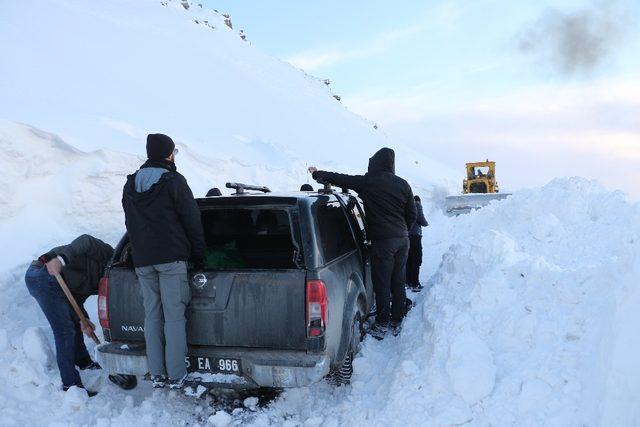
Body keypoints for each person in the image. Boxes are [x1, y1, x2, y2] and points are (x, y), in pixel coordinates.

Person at [122, 133, 205, 389]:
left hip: (143, 261)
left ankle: (157, 373)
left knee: (152, 316)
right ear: (168, 154)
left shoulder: (130, 184)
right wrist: (199, 257)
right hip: (171, 260)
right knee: (174, 317)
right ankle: (176, 374)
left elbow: (130, 223)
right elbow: (192, 222)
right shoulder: (174, 181)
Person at [309, 147, 416, 339]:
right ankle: (397, 319)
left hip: (383, 242)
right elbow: (412, 214)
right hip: (402, 240)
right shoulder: (403, 184)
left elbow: (342, 179)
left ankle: (382, 323)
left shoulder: (369, 182)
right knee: (398, 279)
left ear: (374, 163)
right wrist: (402, 231)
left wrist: (318, 174)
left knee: (381, 282)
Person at [24, 234, 113, 396]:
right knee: (64, 330)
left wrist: (83, 319)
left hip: (59, 284)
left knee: (73, 322)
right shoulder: (108, 255)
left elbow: (75, 299)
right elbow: (85, 240)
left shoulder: (103, 284)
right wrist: (61, 260)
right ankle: (71, 385)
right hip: (43, 274)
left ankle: (83, 361)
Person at [406, 195, 428, 292]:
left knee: (409, 260)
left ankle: (409, 282)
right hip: (415, 236)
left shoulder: (405, 206)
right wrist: (426, 223)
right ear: (418, 201)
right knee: (417, 260)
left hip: (406, 236)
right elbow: (422, 220)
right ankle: (415, 284)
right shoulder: (417, 205)